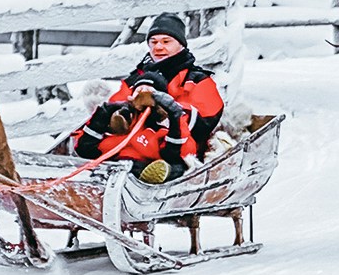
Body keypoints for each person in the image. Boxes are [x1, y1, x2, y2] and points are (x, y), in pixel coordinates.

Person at [72, 13, 225, 183]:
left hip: (172, 151)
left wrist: (162, 111)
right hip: (129, 149)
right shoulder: (136, 78)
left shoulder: (198, 80)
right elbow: (117, 106)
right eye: (153, 42)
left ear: (181, 45)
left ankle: (156, 174)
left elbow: (204, 122)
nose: (158, 47)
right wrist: (121, 112)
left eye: (166, 42)